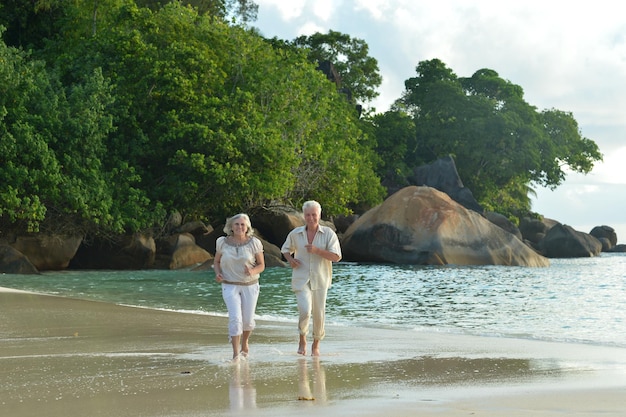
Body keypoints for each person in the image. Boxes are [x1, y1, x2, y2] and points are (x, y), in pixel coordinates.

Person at [281, 200, 342, 356]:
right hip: (301, 278)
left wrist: (317, 250)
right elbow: (285, 250)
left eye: (314, 215)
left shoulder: (328, 234)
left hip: (321, 279)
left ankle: (316, 344)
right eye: (307, 215)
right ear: (304, 216)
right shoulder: (296, 234)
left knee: (319, 312)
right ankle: (302, 338)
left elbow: (336, 257)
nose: (311, 218)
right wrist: (291, 260)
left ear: (319, 215)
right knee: (305, 310)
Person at [214, 213, 265, 360]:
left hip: (250, 285)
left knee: (248, 321)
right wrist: (218, 273)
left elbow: (261, 265)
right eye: (236, 224)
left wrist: (252, 271)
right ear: (231, 226)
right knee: (236, 319)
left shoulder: (254, 243)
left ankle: (245, 342)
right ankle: (236, 354)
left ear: (247, 227)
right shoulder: (222, 242)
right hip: (229, 285)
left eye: (243, 224)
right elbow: (216, 261)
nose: (240, 227)